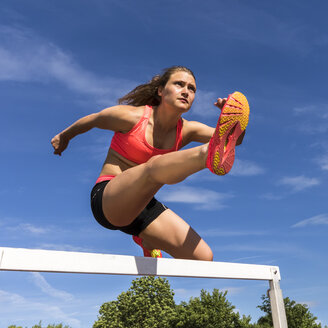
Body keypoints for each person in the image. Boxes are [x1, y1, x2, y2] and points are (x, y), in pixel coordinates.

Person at [51, 66, 249, 261]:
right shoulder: (132, 116)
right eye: (179, 84)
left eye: (191, 89)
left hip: (142, 205)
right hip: (108, 201)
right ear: (161, 91)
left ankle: (146, 240)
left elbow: (235, 140)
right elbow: (94, 119)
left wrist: (231, 121)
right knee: (153, 166)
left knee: (203, 258)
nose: (186, 92)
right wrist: (65, 136)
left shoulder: (187, 130)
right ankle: (206, 153)